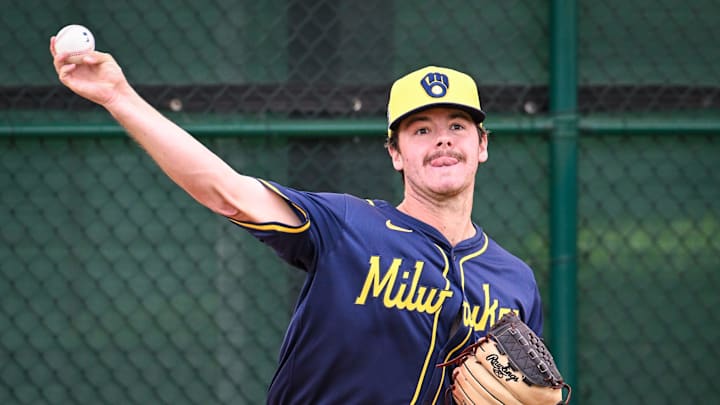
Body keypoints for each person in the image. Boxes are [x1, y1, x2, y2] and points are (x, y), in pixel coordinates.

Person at [51, 38, 545, 404]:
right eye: (421, 129)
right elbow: (225, 190)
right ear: (396, 153)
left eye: (457, 126)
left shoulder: (515, 281)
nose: (442, 140)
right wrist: (119, 96)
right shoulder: (347, 225)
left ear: (481, 145)